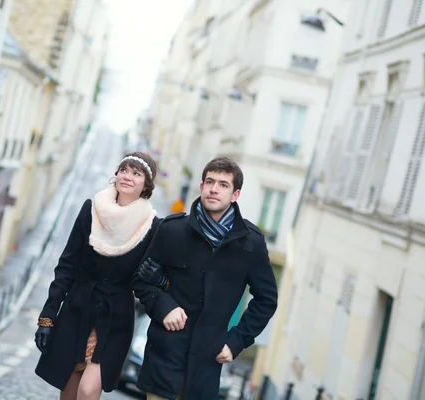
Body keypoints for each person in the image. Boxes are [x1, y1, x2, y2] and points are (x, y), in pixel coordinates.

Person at [133, 157, 278, 400]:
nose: (214, 189)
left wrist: (236, 341)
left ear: (235, 194)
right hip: (165, 353)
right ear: (201, 187)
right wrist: (164, 307)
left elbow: (267, 300)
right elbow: (141, 279)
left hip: (207, 364)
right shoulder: (172, 229)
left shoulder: (250, 243)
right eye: (210, 181)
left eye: (223, 184)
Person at [34, 152, 162, 400]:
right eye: (124, 170)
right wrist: (47, 317)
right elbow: (67, 266)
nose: (128, 177)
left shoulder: (153, 226)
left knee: (88, 390)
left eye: (137, 174)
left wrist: (159, 279)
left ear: (146, 186)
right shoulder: (91, 209)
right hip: (77, 310)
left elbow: (149, 278)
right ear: (116, 174)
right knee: (69, 392)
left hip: (115, 319)